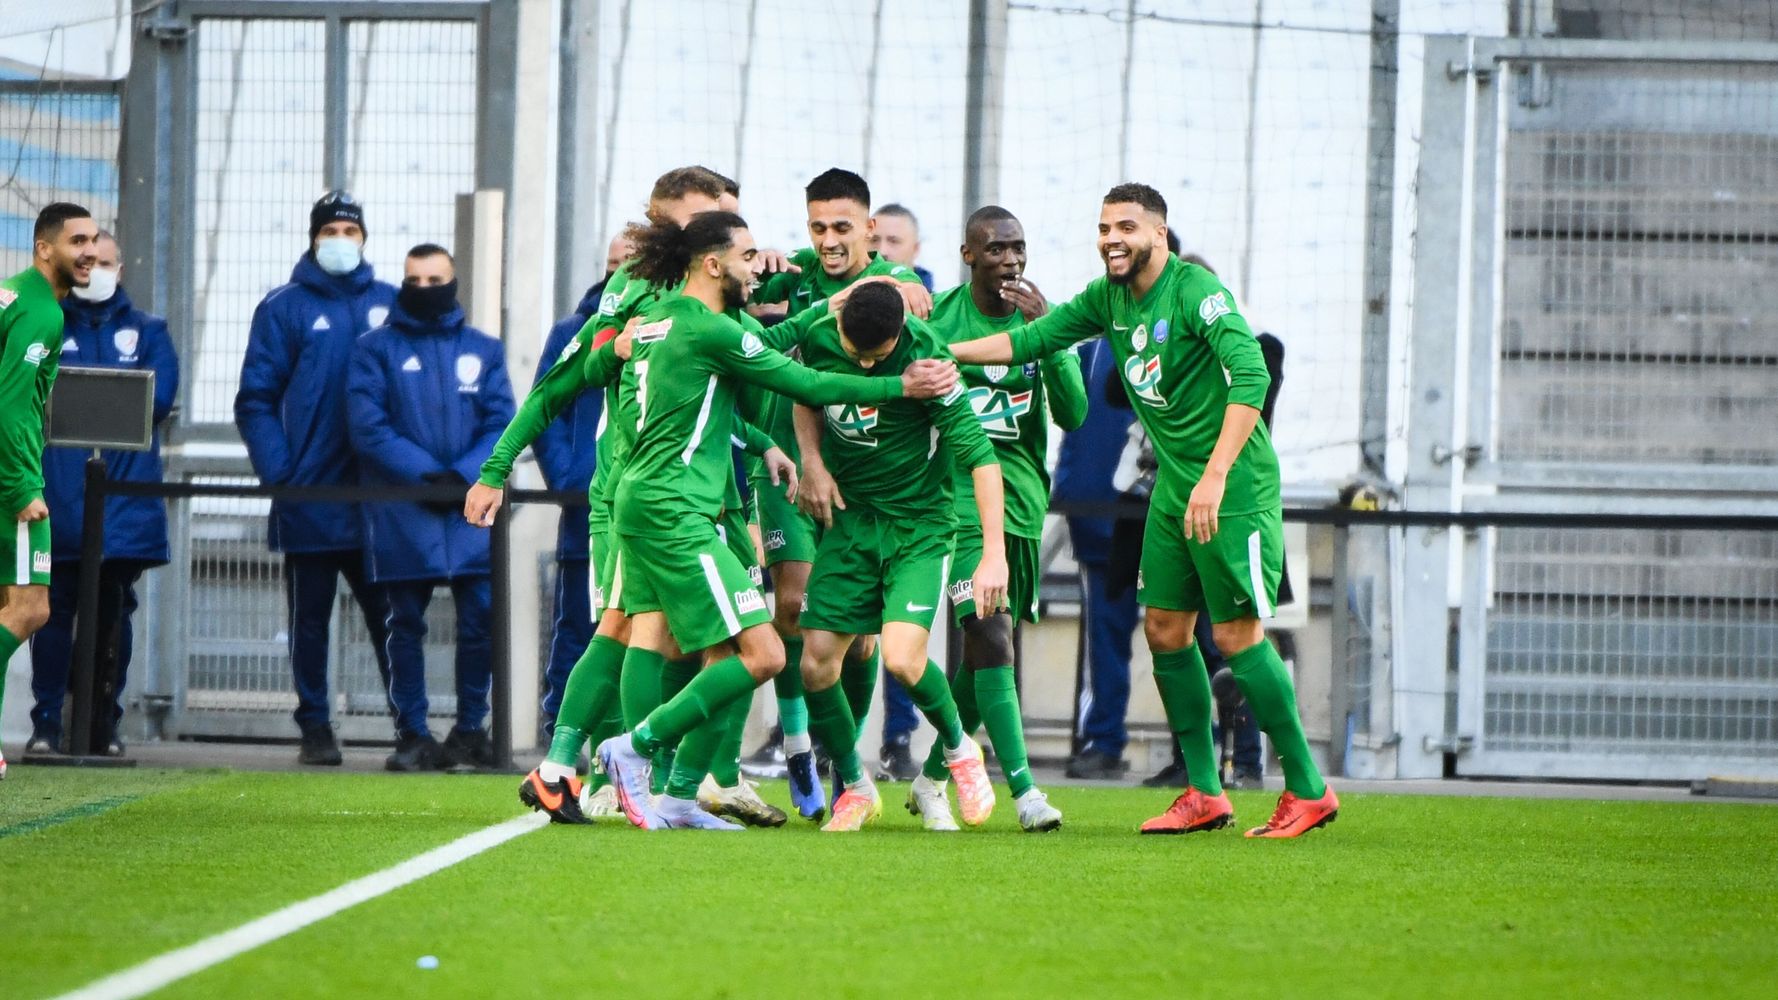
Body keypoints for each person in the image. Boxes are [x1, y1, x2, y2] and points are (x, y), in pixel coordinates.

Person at [521, 209, 956, 830]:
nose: (761, 266)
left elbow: (715, 393)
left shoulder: (668, 322)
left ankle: (667, 788)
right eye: (748, 255)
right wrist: (899, 390)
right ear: (711, 261)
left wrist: (767, 434)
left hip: (669, 503)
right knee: (750, 650)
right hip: (675, 510)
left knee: (680, 640)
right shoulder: (705, 327)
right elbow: (802, 378)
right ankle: (626, 755)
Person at [950, 183, 1338, 839]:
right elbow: (1032, 341)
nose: (1111, 240)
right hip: (1170, 489)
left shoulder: (1195, 293)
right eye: (1104, 228)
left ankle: (1307, 789)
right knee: (1163, 630)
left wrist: (1215, 477)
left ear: (1159, 233)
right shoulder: (1108, 298)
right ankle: (1204, 791)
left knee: (1238, 635)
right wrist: (940, 354)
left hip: (1231, 484)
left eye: (1126, 227)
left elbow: (1252, 377)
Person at [472, 166, 735, 824]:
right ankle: (616, 772)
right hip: (632, 496)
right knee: (631, 627)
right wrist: (496, 466)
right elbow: (566, 379)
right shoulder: (632, 288)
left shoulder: (713, 290)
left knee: (655, 632)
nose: (724, 234)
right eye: (709, 219)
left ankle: (581, 770)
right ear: (668, 224)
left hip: (690, 498)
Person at [743, 169, 932, 811]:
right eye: (818, 226)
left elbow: (920, 309)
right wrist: (753, 265)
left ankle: (845, 760)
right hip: (789, 465)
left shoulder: (896, 288)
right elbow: (732, 297)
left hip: (867, 484)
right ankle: (800, 749)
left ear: (870, 229)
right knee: (793, 607)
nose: (828, 240)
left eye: (841, 227)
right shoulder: (792, 273)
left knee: (863, 636)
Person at [782, 280, 1002, 832]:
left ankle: (960, 751)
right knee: (815, 661)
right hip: (851, 520)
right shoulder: (818, 335)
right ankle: (856, 788)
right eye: (852, 351)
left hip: (917, 527)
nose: (859, 362)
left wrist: (992, 552)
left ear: (900, 335)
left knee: (903, 658)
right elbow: (805, 394)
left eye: (873, 357)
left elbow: (981, 458)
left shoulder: (929, 359)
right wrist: (811, 458)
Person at [902, 205, 1087, 833]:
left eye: (1018, 248)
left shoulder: (1047, 322)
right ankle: (1026, 793)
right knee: (990, 637)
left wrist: (1051, 339)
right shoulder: (941, 317)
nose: (1010, 260)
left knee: (979, 661)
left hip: (1019, 507)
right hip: (952, 505)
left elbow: (1076, 414)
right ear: (968, 255)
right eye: (997, 249)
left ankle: (929, 780)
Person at [236, 190, 399, 766]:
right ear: (313, 237)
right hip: (310, 498)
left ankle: (410, 727)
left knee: (391, 617)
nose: (340, 240)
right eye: (330, 230)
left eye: (350, 231)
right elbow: (255, 399)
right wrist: (283, 474)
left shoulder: (393, 303)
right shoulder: (284, 307)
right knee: (309, 620)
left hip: (380, 503)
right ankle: (314, 727)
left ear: (365, 238)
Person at [347, 243, 514, 771]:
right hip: (403, 511)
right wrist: (425, 475)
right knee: (403, 624)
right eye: (414, 280)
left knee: (481, 621)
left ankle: (471, 729)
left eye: (434, 279)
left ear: (453, 280)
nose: (425, 289)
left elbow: (502, 421)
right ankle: (412, 734)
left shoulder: (484, 349)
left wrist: (465, 476)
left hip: (471, 511)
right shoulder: (374, 349)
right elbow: (368, 426)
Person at [31, 230, 179, 756]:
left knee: (115, 613)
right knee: (50, 613)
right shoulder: (46, 324)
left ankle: (104, 723)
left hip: (124, 507)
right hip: (57, 499)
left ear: (122, 267)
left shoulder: (149, 331)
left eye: (108, 262)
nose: (98, 271)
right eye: (89, 262)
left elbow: (157, 398)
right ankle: (47, 722)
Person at [0, 202, 98, 779]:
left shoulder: (11, 294)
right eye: (76, 241)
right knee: (32, 610)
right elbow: (12, 407)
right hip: (10, 481)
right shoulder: (42, 313)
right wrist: (20, 488)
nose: (88, 251)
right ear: (44, 249)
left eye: (94, 239)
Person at [531, 234, 629, 744]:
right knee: (577, 625)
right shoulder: (573, 331)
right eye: (611, 263)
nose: (618, 274)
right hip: (586, 509)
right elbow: (545, 405)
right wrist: (571, 479)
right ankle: (560, 739)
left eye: (629, 264)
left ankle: (630, 742)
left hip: (647, 505)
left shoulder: (673, 330)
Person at [1057, 337, 1140, 781]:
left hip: (1169, 515)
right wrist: (1073, 496)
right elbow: (1074, 427)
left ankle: (1207, 752)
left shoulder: (1198, 340)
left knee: (1195, 640)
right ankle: (1103, 740)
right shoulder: (1089, 353)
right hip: (1104, 519)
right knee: (1106, 636)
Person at [872, 202, 934, 291]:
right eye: (874, 240)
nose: (882, 251)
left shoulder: (936, 303)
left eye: (894, 241)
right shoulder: (847, 297)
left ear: (915, 249)